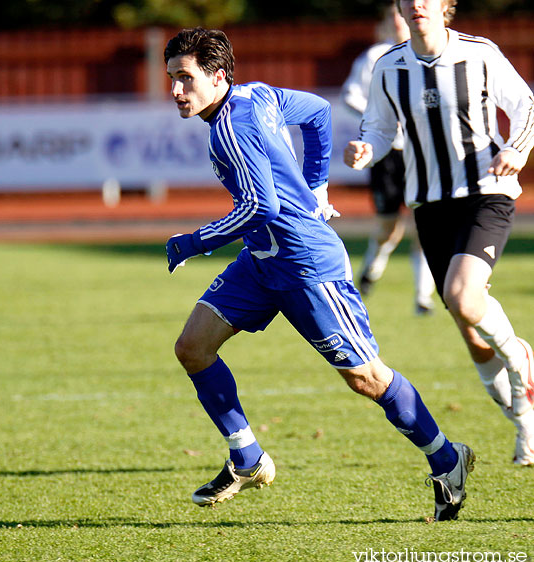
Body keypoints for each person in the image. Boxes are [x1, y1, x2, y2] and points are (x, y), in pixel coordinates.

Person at [164, 26, 474, 521]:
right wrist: (316, 187)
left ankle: (446, 458)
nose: (176, 91)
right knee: (192, 348)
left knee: (366, 377)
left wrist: (191, 242)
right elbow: (318, 113)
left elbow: (259, 207)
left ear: (218, 75)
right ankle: (247, 457)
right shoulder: (257, 96)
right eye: (172, 79)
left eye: (185, 77)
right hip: (262, 262)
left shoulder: (231, 127)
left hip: (307, 265)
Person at [344, 0, 534, 465]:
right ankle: (526, 425)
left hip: (486, 192)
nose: (417, 5)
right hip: (429, 203)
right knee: (467, 323)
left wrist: (516, 149)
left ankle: (518, 360)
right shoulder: (389, 66)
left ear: (445, 5)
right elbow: (379, 129)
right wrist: (364, 149)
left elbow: (526, 104)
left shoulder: (480, 53)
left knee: (464, 297)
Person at [341, 3, 436, 314]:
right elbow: (351, 95)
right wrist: (380, 115)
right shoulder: (374, 57)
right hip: (385, 154)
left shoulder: (431, 52)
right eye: (395, 13)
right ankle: (370, 272)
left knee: (424, 225)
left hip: (422, 151)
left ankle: (423, 298)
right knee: (388, 227)